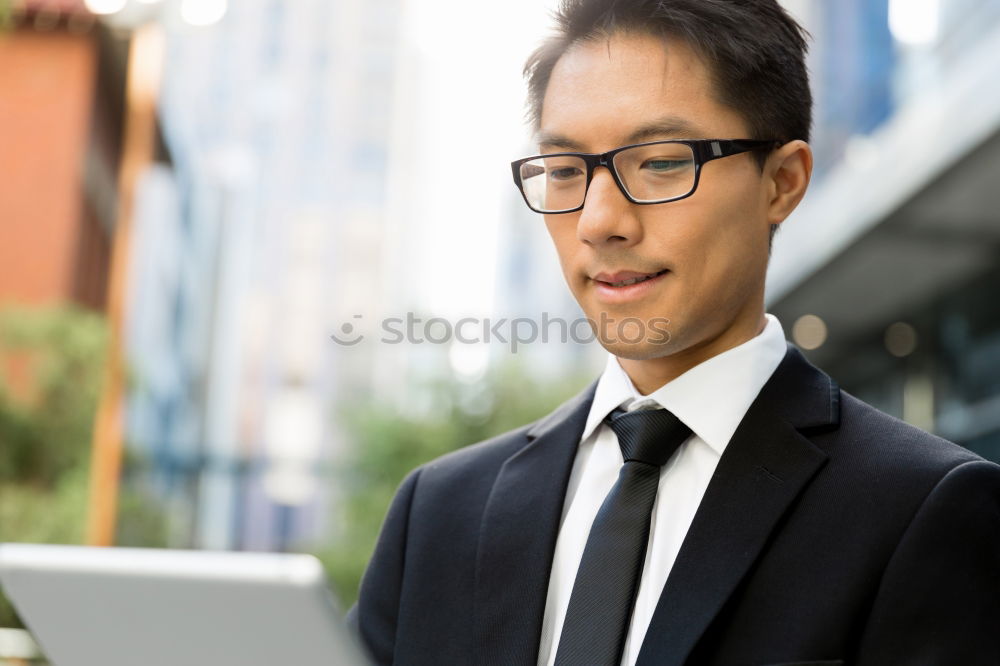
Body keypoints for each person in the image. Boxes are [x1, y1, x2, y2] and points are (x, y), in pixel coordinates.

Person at [347, 1, 1000, 664]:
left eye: (659, 162)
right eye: (567, 171)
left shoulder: (922, 510)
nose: (600, 221)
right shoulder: (439, 513)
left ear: (781, 181)